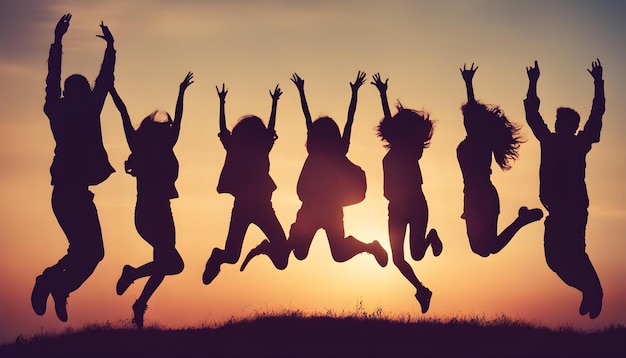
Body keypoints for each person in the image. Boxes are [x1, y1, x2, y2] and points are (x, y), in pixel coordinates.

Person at [31, 14, 116, 322]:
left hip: (74, 195)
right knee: (88, 251)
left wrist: (59, 41)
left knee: (90, 252)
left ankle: (56, 283)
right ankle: (52, 282)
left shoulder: (71, 108)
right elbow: (100, 81)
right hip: (70, 194)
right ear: (74, 94)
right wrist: (109, 49)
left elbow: (60, 83)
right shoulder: (71, 110)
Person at [109, 72, 193, 328]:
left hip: (160, 212)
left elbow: (177, 121)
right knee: (173, 263)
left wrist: (181, 93)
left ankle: (139, 303)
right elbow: (123, 115)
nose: (169, 130)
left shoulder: (156, 145)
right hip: (148, 212)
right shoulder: (145, 146)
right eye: (166, 128)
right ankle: (132, 273)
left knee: (165, 263)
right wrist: (110, 90)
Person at [524, 60, 605, 319]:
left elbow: (596, 116)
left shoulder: (579, 143)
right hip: (558, 209)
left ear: (570, 125)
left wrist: (598, 83)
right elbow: (533, 116)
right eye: (557, 119)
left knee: (574, 253)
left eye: (560, 120)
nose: (556, 122)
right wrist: (533, 82)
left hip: (573, 208)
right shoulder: (549, 140)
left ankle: (595, 291)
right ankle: (589, 290)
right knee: (556, 259)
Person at [285, 72, 388, 267]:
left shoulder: (334, 149)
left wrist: (302, 91)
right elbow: (345, 119)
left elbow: (348, 120)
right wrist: (302, 92)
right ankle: (369, 247)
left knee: (338, 253)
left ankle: (371, 247)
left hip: (328, 208)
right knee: (301, 253)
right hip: (315, 208)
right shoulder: (324, 148)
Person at [202, 84, 289, 285]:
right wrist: (274, 102)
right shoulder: (238, 147)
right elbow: (224, 131)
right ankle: (216, 257)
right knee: (231, 256)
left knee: (281, 259)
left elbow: (225, 130)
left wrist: (222, 103)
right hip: (244, 208)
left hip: (263, 208)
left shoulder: (256, 147)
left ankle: (264, 248)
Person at [372, 73, 442, 313]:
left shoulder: (412, 152)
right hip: (396, 209)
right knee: (398, 259)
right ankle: (422, 290)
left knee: (417, 254)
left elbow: (392, 127)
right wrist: (383, 94)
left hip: (415, 205)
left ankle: (431, 236)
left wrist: (383, 95)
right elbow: (390, 126)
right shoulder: (393, 150)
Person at [458, 63, 543, 258]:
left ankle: (521, 221)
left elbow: (472, 113)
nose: (464, 122)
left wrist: (469, 84)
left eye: (466, 121)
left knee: (483, 249)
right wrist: (468, 84)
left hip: (478, 196)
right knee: (487, 248)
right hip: (480, 196)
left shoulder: (479, 142)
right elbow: (471, 114)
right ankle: (521, 220)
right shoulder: (479, 141)